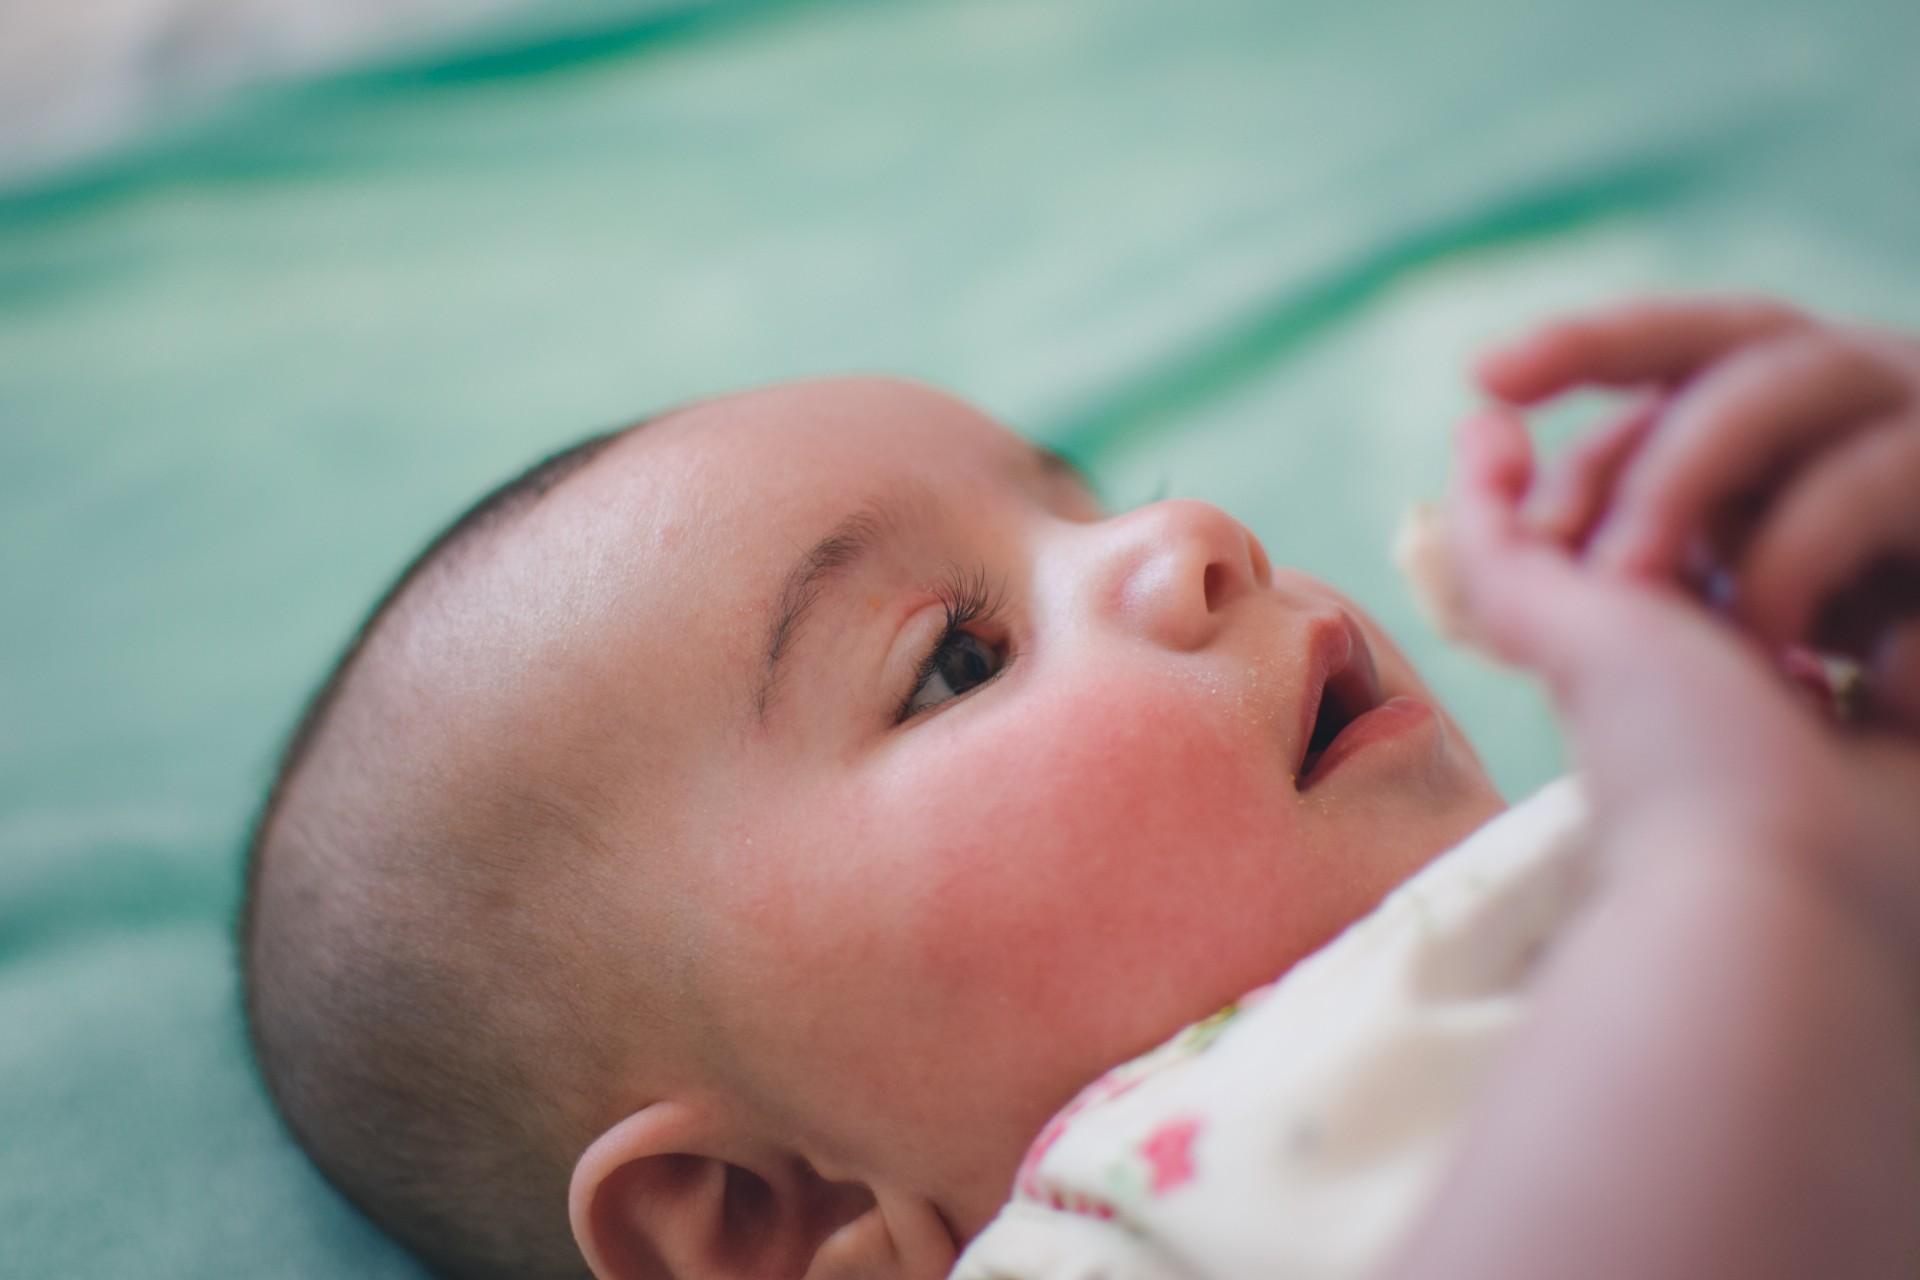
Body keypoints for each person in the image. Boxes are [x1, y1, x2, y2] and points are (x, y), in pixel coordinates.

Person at [239, 296, 1920, 1280]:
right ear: (765, 1219)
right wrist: (1754, 864)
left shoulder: (1664, 833)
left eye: (1105, 500)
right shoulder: (1099, 1229)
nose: (1192, 543)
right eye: (957, 655)